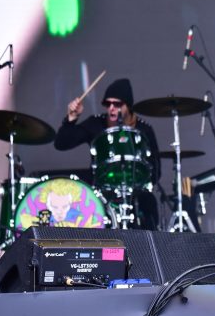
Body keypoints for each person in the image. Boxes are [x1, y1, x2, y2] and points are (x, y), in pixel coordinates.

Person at [54, 78, 161, 230]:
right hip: (103, 194)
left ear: (128, 106)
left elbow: (156, 171)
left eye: (117, 104)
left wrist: (142, 182)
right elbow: (61, 144)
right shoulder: (96, 123)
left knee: (149, 203)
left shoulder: (144, 129)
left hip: (136, 195)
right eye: (108, 104)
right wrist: (71, 119)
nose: (111, 108)